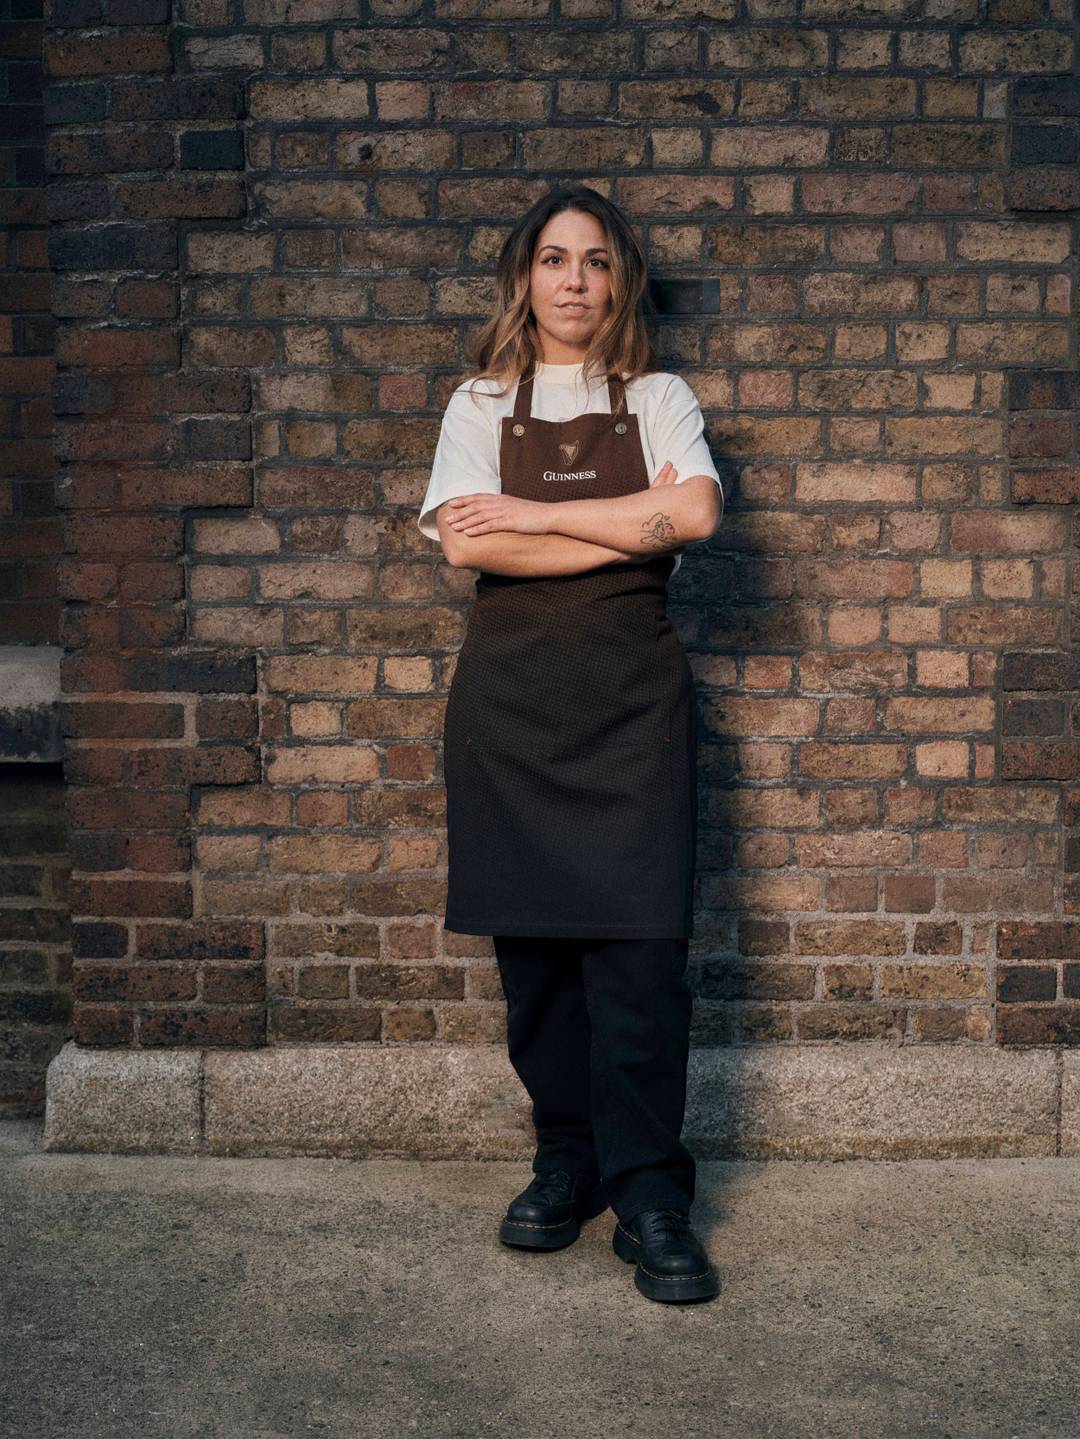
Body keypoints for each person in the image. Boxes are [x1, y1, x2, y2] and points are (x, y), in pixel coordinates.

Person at [417, 185, 724, 1304]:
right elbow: (466, 549)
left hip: (633, 712)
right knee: (538, 965)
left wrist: (534, 517)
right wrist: (617, 525)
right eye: (555, 259)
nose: (576, 280)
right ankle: (566, 1163)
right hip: (514, 712)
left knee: (642, 964)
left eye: (596, 260)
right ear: (526, 279)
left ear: (620, 279)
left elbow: (691, 520)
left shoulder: (660, 394)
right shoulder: (478, 401)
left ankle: (651, 1195)